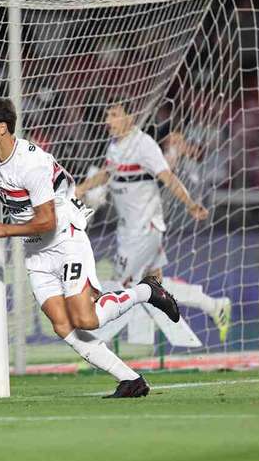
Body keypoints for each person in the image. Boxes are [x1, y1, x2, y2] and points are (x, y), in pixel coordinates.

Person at [0, 97, 179, 398]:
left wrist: (3, 230)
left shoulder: (31, 163)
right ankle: (130, 380)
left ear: (2, 128)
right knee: (62, 324)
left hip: (65, 240)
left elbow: (47, 221)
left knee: (85, 319)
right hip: (36, 252)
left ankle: (147, 291)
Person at [74, 101, 231, 341]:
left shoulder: (144, 145)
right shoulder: (115, 144)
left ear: (130, 117)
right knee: (155, 286)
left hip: (144, 230)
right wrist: (81, 189)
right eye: (107, 116)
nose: (107, 121)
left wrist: (190, 205)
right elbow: (108, 173)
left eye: (114, 115)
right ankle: (213, 305)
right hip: (129, 229)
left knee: (121, 287)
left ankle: (92, 346)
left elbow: (167, 177)